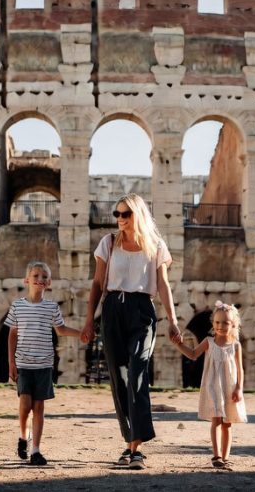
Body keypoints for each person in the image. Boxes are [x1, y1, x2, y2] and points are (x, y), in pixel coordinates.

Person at [81, 193, 183, 470]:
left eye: (126, 214)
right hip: (113, 309)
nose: (120, 219)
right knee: (119, 377)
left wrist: (173, 321)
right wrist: (90, 319)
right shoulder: (108, 243)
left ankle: (135, 447)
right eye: (117, 214)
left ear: (138, 214)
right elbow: (97, 284)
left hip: (142, 311)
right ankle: (130, 445)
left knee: (138, 370)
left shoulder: (156, 246)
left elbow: (163, 285)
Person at [6, 260, 81, 466]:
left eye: (44, 277)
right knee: (25, 405)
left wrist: (81, 334)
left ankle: (36, 450)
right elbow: (12, 334)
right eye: (36, 276)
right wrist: (11, 363)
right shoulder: (18, 306)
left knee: (39, 407)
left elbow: (62, 329)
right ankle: (23, 436)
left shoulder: (51, 307)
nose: (40, 279)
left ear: (49, 282)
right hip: (23, 363)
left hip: (44, 364)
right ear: (27, 280)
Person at [172, 301, 247, 470]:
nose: (221, 326)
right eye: (218, 322)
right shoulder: (208, 342)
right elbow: (192, 354)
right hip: (213, 385)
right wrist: (179, 344)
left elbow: (240, 369)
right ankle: (216, 455)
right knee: (216, 420)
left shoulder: (236, 345)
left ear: (233, 324)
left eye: (226, 323)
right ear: (213, 323)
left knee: (228, 423)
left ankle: (225, 457)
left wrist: (239, 388)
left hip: (230, 387)